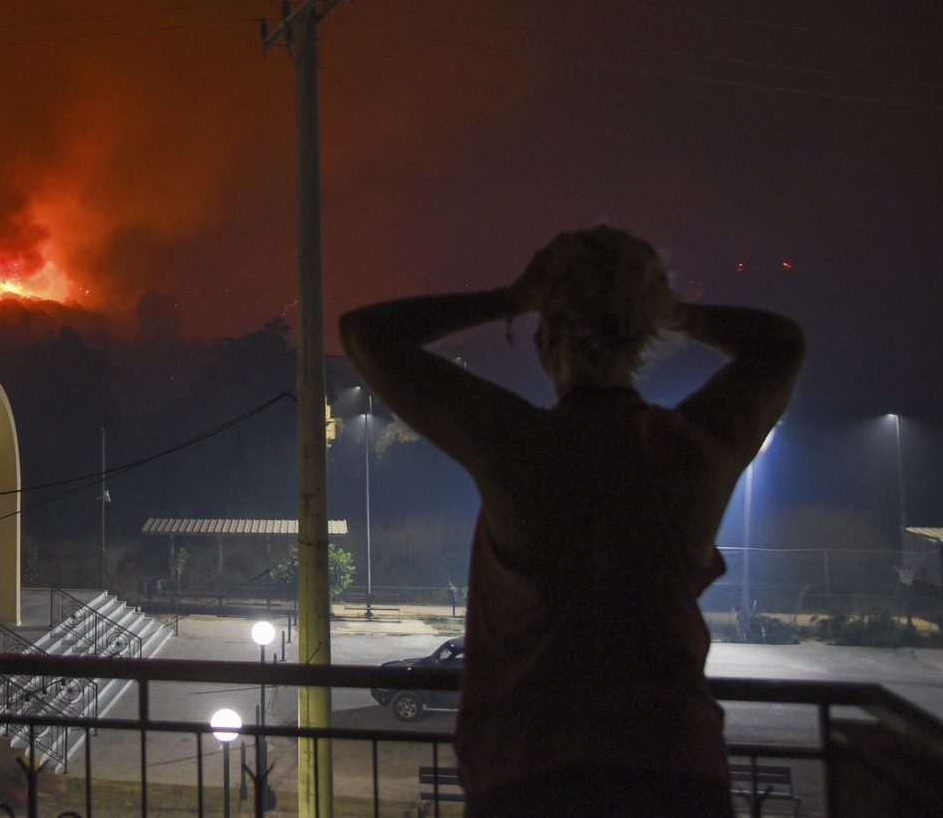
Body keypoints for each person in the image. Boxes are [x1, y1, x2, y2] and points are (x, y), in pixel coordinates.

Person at [338, 227, 803, 817]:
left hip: (528, 775)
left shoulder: (520, 447)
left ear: (542, 342)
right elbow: (781, 343)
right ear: (641, 338)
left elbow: (365, 334)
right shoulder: (693, 451)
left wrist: (510, 298)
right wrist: (660, 309)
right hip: (676, 775)